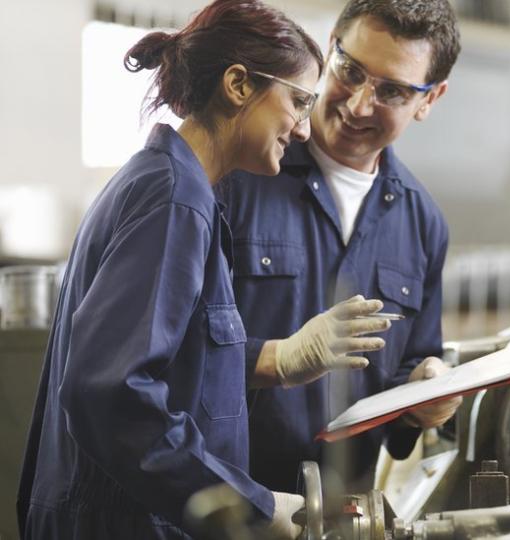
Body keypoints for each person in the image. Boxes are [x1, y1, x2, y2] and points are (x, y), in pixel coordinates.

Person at [17, 1, 389, 537]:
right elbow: (110, 393)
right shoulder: (173, 201)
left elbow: (175, 366)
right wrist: (251, 506)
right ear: (238, 85)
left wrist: (280, 359)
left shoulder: (178, 192)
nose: (305, 131)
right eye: (298, 103)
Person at [216, 0, 462, 494]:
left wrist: (424, 394)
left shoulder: (422, 224)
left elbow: (407, 375)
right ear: (330, 47)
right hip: (225, 504)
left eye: (391, 91)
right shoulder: (240, 175)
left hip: (344, 512)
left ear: (429, 100)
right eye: (350, 71)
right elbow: (175, 355)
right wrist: (279, 360)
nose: (357, 105)